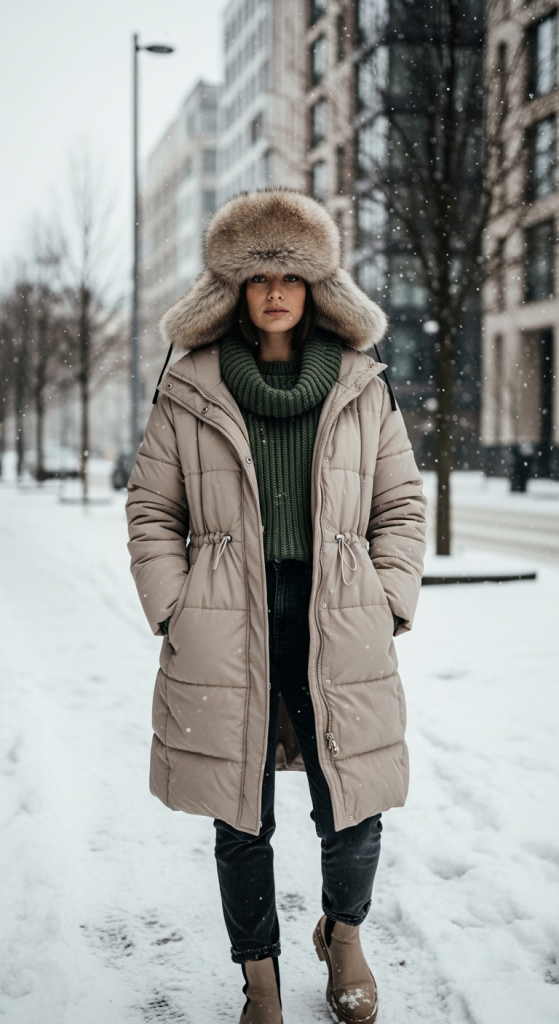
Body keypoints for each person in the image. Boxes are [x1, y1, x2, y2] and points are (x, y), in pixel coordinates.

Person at [126, 189, 427, 1024]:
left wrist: (387, 596)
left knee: (352, 802)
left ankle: (343, 937)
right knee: (239, 812)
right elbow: (152, 509)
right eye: (257, 275)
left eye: (290, 274)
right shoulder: (189, 383)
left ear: (315, 284)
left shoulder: (363, 382)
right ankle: (259, 979)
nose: (274, 290)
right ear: (233, 288)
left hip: (339, 615)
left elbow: (399, 504)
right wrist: (174, 607)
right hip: (226, 619)